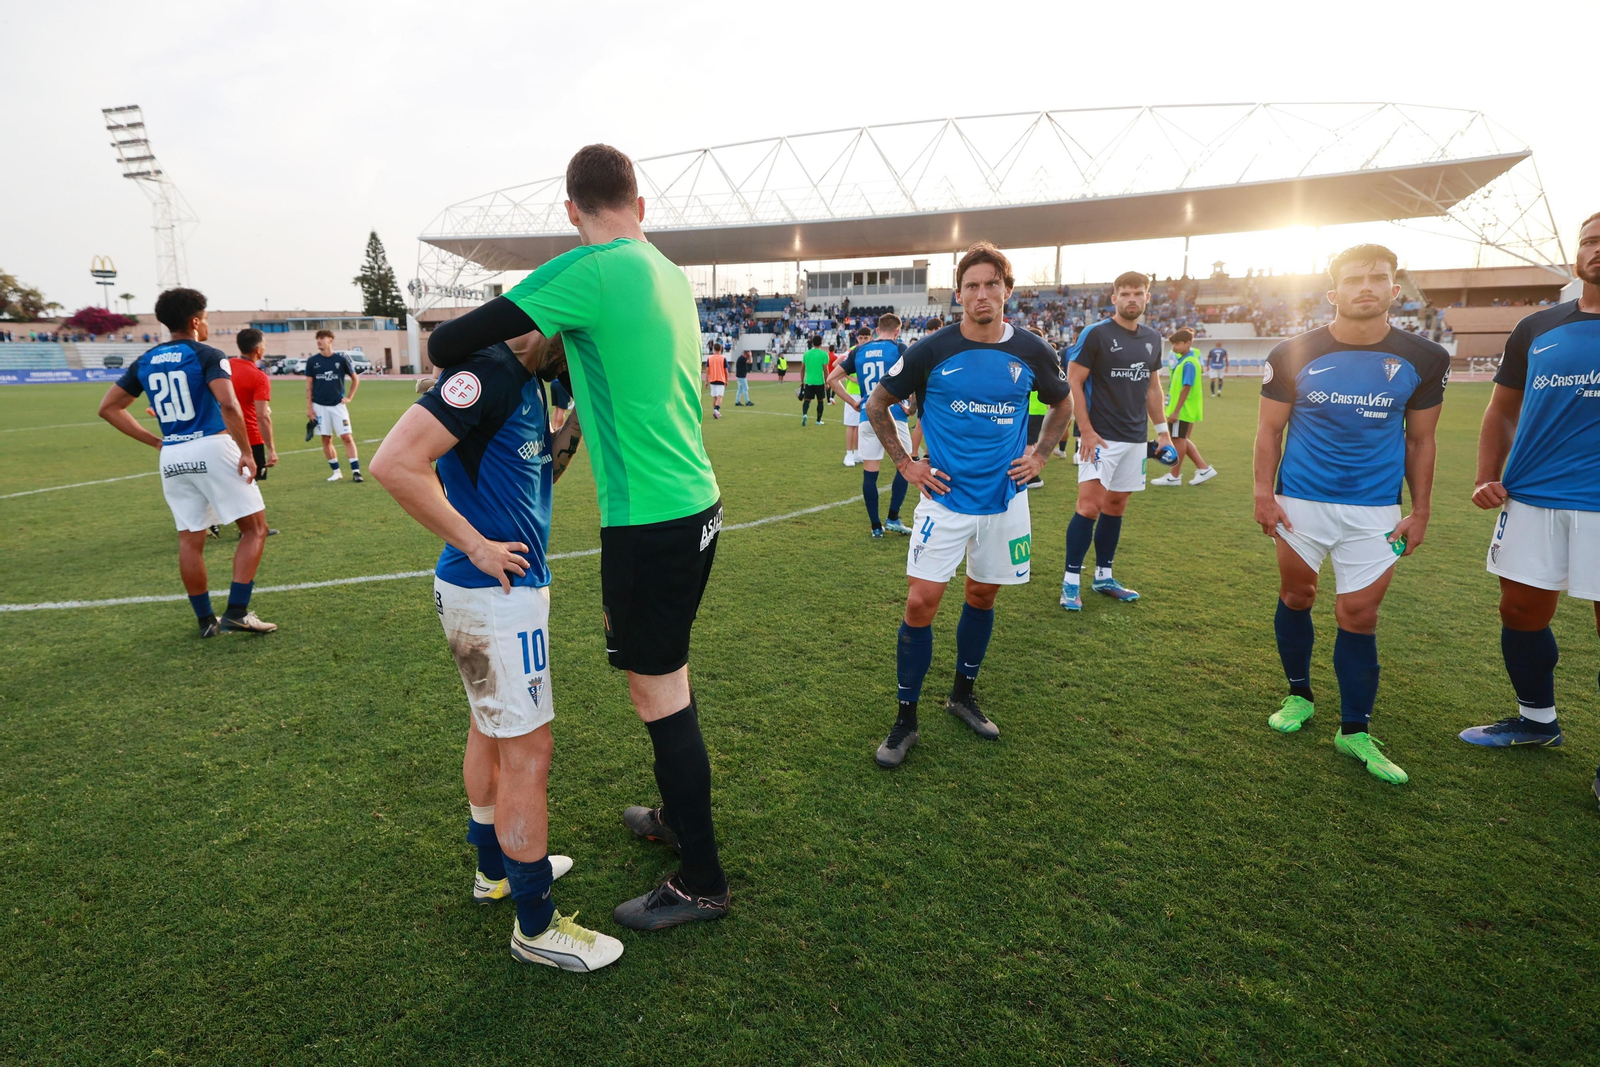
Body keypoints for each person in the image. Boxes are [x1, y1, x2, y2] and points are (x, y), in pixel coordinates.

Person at [424, 143, 729, 930]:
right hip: (698, 505)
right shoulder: (667, 271)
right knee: (673, 678)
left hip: (648, 520)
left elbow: (448, 343)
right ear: (641, 202)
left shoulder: (586, 268)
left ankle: (701, 877)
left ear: (570, 210)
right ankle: (676, 818)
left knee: (659, 694)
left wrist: (521, 356)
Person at [370, 332, 620, 972]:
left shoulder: (534, 382)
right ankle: (535, 927)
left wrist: (578, 422)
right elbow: (393, 464)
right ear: (541, 327)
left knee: (490, 727)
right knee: (529, 749)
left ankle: (495, 873)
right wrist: (478, 543)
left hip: (493, 595)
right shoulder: (487, 373)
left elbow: (543, 471)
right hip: (492, 595)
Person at [865, 243, 1071, 768]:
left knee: (982, 596)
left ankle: (963, 694)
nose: (982, 294)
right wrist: (908, 464)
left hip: (1005, 500)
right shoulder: (932, 350)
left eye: (991, 284)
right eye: (972, 286)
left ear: (1007, 290)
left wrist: (1041, 454)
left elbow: (1063, 401)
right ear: (959, 294)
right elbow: (878, 404)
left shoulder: (1033, 349)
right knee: (920, 603)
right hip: (944, 499)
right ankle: (905, 719)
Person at [1253, 244, 1448, 786]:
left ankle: (1354, 729)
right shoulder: (1293, 351)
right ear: (1333, 292)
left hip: (1375, 511)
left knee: (1359, 616)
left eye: (1378, 278)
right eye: (1355, 279)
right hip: (1300, 504)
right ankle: (1298, 695)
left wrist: (1422, 510)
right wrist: (1263, 495)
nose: (1367, 286)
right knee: (1297, 596)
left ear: (1394, 290)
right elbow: (1269, 430)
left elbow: (1421, 440)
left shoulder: (1425, 359)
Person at [1460, 211, 1600, 756]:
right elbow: (1499, 411)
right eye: (1589, 240)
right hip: (1533, 495)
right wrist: (1485, 476)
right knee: (1519, 611)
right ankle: (1537, 720)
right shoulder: (1536, 329)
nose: (1597, 247)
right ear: (1576, 257)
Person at [95, 287, 276, 637]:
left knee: (190, 540)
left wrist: (158, 441)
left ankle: (205, 621)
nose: (206, 324)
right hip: (211, 445)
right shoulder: (207, 353)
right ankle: (237, 612)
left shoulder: (145, 360)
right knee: (254, 529)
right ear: (195, 321)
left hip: (173, 455)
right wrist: (244, 451)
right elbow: (228, 404)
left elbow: (108, 408)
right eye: (205, 318)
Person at [1061, 272, 1174, 610]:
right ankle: (1070, 583)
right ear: (1114, 298)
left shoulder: (1153, 338)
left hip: (1136, 439)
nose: (1131, 299)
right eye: (1125, 293)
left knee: (1116, 506)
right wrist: (1086, 429)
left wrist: (1163, 432)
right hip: (1100, 437)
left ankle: (1103, 576)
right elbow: (1074, 381)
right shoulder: (1096, 334)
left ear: (1147, 298)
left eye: (1138, 293)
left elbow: (1153, 388)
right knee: (1089, 506)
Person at [829, 314, 912, 538]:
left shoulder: (859, 350)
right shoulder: (899, 347)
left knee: (870, 473)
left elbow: (832, 379)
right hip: (894, 415)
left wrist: (854, 402)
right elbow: (916, 378)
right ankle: (893, 518)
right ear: (897, 331)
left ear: (876, 331)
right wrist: (911, 406)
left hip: (867, 416)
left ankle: (876, 527)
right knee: (905, 467)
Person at [1150, 328, 1217, 486]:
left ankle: (1175, 476)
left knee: (1178, 440)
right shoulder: (1186, 360)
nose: (1174, 347)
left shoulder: (1188, 363)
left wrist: (1176, 411)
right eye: (1173, 343)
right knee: (1181, 439)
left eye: (1178, 343)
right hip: (1186, 409)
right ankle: (1203, 469)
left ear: (1188, 343)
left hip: (1182, 410)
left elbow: (1186, 387)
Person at [305, 330, 361, 482]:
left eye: (322, 338)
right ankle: (336, 471)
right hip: (319, 406)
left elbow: (355, 379)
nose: (319, 341)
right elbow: (309, 386)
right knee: (326, 439)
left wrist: (349, 397)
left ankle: (356, 471)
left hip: (337, 405)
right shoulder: (312, 361)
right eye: (317, 338)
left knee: (346, 437)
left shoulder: (341, 360)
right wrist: (309, 407)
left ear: (331, 340)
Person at [839, 325, 871, 466]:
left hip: (867, 393)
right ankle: (848, 454)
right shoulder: (852, 351)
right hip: (853, 393)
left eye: (866, 338)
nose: (863, 340)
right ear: (857, 338)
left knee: (860, 425)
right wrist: (851, 378)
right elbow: (836, 364)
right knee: (852, 425)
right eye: (861, 338)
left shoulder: (871, 350)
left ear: (871, 338)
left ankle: (858, 453)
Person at [799, 334, 828, 425]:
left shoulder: (806, 354)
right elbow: (825, 370)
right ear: (821, 343)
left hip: (809, 381)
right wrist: (827, 382)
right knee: (820, 401)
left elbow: (802, 369)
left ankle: (805, 414)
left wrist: (802, 381)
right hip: (819, 382)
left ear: (812, 343)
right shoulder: (824, 354)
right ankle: (818, 420)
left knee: (806, 400)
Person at [706, 341, 728, 419]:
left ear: (713, 348)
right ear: (721, 349)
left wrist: (706, 381)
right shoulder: (723, 358)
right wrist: (726, 380)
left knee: (715, 397)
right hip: (720, 379)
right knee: (720, 397)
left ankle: (716, 412)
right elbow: (726, 370)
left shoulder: (710, 358)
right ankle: (716, 410)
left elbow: (707, 370)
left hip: (712, 379)